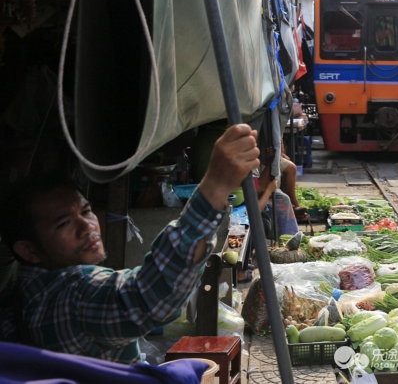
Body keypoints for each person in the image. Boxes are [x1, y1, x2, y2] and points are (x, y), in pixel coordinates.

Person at [0, 124, 259, 363]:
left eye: (86, 212)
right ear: (29, 250)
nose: (87, 227)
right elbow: (151, 296)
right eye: (63, 224)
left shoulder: (20, 292)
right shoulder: (73, 292)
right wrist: (213, 187)